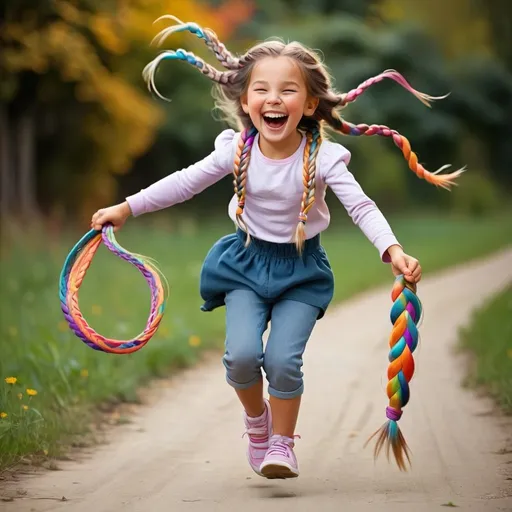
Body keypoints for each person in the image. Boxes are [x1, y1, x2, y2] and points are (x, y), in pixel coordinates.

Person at [90, 16, 464, 479]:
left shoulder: (324, 158)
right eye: (262, 90)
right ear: (246, 101)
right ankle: (257, 422)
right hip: (245, 263)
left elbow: (362, 207)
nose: (274, 99)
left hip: (301, 272)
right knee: (243, 357)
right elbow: (184, 183)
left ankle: (282, 445)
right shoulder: (235, 150)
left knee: (283, 361)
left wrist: (394, 251)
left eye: (288, 90)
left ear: (308, 105)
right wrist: (127, 208)